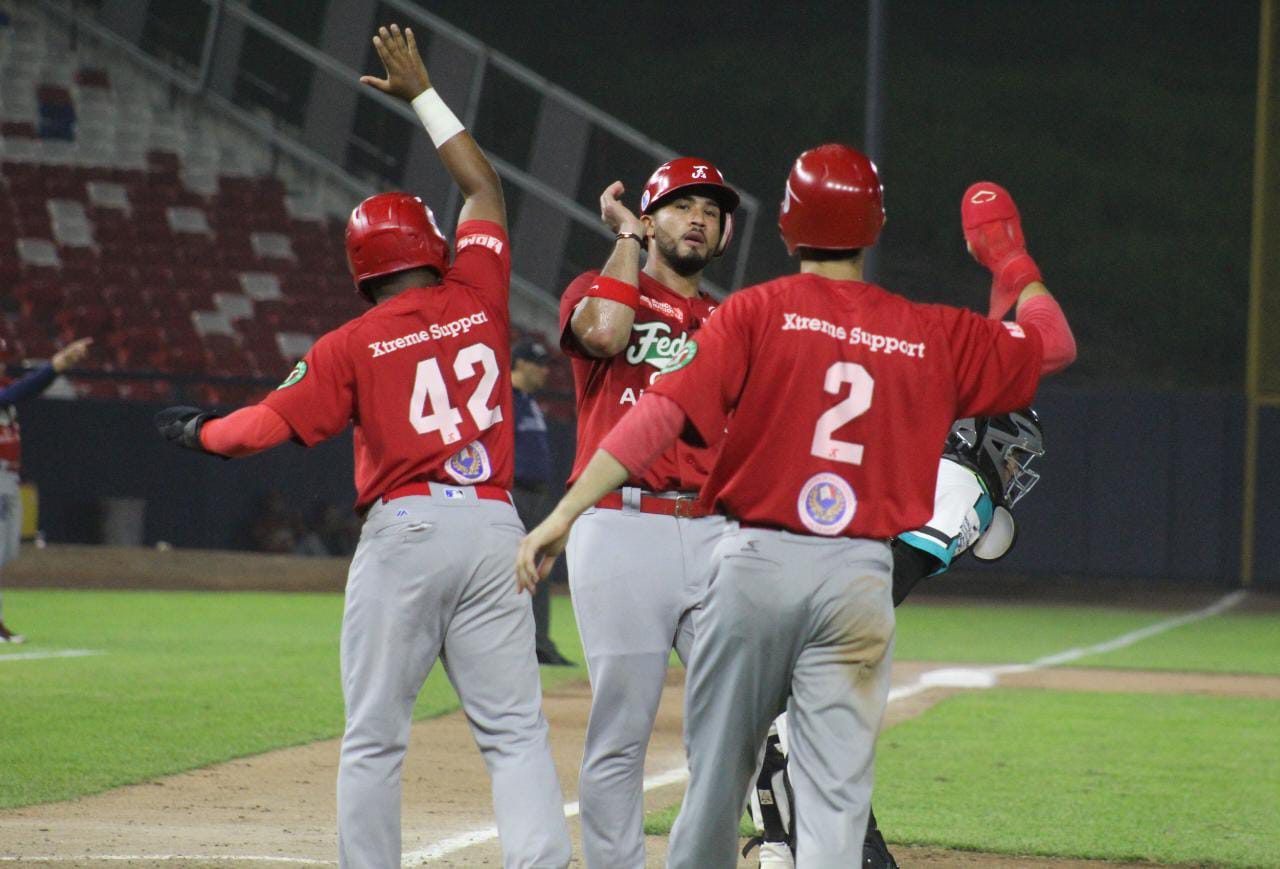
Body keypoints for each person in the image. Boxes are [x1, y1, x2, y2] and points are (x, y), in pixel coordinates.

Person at [518, 148, 1077, 867]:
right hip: (859, 574)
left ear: (785, 228)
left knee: (722, 767)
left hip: (757, 560)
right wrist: (1008, 257)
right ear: (874, 230)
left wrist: (563, 512)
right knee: (835, 783)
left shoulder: (752, 314)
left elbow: (659, 413)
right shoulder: (922, 329)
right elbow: (1052, 343)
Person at [154, 25, 570, 869]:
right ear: (432, 247)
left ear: (363, 266)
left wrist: (197, 429)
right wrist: (421, 92)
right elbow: (483, 186)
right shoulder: (480, 290)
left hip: (409, 532)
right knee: (517, 734)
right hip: (497, 529)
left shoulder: (350, 342)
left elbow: (257, 431)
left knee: (377, 735)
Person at [746, 409, 1047, 869]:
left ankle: (779, 847)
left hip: (768, 567)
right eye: (1013, 456)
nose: (1014, 470)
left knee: (779, 720)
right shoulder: (968, 486)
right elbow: (902, 563)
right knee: (825, 728)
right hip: (826, 593)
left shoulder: (915, 457)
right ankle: (855, 850)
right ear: (986, 441)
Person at [557, 158, 739, 867]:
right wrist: (626, 239)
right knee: (621, 729)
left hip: (716, 530)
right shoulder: (601, 286)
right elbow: (603, 335)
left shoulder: (731, 321)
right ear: (650, 217)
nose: (698, 218)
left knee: (730, 726)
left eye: (712, 211)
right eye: (681, 204)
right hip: (622, 523)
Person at [0, 335, 92, 644]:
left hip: (8, 478)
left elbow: (21, 391)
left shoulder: (5, 386)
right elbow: (14, 394)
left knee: (6, 552)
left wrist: (57, 369)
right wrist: (56, 365)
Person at [510, 337, 574, 666]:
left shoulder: (529, 401)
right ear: (519, 364)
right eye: (537, 364)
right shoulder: (504, 400)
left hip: (535, 496)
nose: (544, 371)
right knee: (504, 571)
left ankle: (539, 644)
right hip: (513, 493)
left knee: (539, 568)